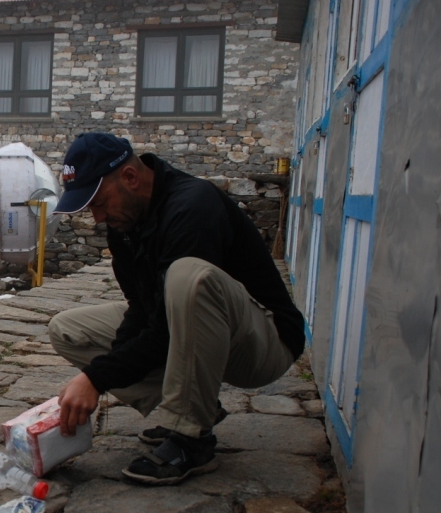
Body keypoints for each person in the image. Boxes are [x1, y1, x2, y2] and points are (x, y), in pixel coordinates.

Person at [48, 133, 304, 485]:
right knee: (67, 329)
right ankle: (198, 406)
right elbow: (142, 310)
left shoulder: (193, 206)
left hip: (264, 343)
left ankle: (190, 438)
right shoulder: (125, 225)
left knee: (187, 276)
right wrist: (101, 370)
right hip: (196, 333)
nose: (97, 217)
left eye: (99, 202)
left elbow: (166, 327)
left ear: (130, 177)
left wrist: (97, 378)